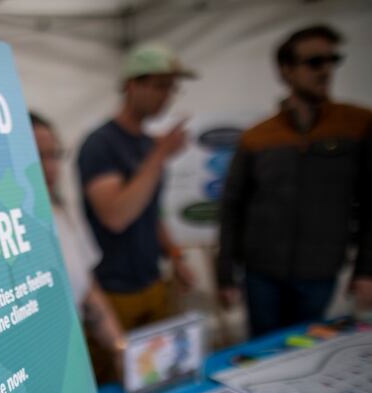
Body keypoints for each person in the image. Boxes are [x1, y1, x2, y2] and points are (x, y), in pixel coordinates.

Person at [217, 24, 372, 337]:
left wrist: (366, 270)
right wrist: (225, 275)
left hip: (319, 272)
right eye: (314, 62)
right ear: (286, 71)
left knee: (309, 348)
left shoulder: (357, 125)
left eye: (332, 60)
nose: (325, 70)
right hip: (262, 274)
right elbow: (232, 205)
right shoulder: (257, 137)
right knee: (262, 352)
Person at [77, 43, 196, 332]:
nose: (166, 97)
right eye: (160, 86)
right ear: (132, 85)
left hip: (152, 280)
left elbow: (151, 211)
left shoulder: (147, 143)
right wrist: (160, 154)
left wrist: (175, 255)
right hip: (114, 290)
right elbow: (116, 216)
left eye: (171, 88)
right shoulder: (100, 144)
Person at [30, 112, 126, 384]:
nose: (49, 168)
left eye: (53, 155)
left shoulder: (63, 211)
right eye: (37, 156)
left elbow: (87, 289)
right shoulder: (4, 225)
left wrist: (120, 349)